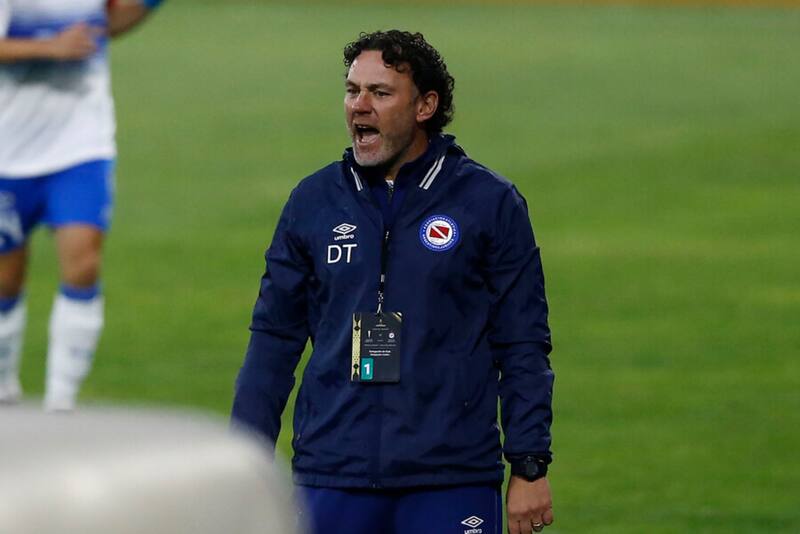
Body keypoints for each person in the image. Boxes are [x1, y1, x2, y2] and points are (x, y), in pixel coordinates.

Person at [232, 30, 555, 534]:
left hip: (451, 476)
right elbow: (274, 341)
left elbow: (523, 343)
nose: (359, 106)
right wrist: (243, 462)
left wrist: (530, 464)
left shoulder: (488, 204)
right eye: (352, 90)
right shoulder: (313, 202)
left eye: (380, 93)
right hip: (332, 472)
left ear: (425, 105)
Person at [0, 0, 165, 411]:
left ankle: (61, 403)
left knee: (83, 264)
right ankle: (4, 388)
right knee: (5, 282)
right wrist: (51, 46)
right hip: (9, 153)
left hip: (81, 146)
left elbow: (105, 22)